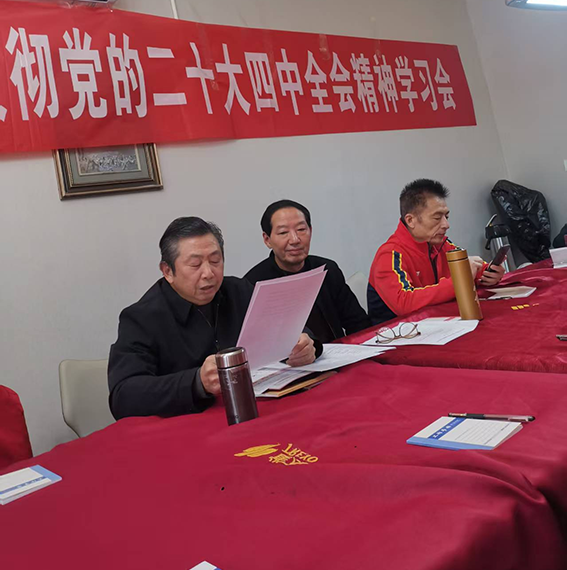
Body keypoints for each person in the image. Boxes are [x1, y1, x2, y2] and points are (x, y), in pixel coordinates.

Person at [108, 217, 317, 419]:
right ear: (168, 271)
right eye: (195, 264)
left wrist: (305, 345)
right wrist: (197, 382)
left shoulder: (238, 291)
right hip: (188, 426)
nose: (208, 273)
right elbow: (123, 396)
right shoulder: (141, 318)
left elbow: (290, 327)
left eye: (215, 261)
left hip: (255, 411)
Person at [367, 179, 504, 322]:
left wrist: (488, 274)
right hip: (400, 330)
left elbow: (470, 270)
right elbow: (404, 303)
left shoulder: (441, 244)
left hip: (438, 322)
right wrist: (461, 279)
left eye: (446, 217)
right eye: (437, 218)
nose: (446, 224)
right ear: (410, 220)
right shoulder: (389, 255)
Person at [245, 199, 371, 342]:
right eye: (283, 232)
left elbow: (358, 324)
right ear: (267, 239)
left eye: (301, 230)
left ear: (310, 231)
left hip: (338, 352)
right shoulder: (253, 285)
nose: (294, 239)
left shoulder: (327, 269)